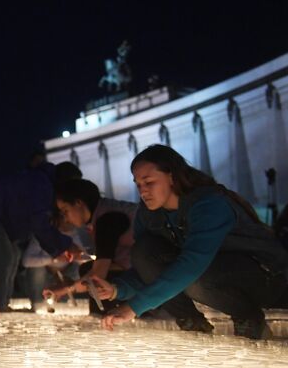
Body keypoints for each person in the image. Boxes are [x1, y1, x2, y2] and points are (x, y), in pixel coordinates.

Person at [92, 144, 288, 339]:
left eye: (149, 182)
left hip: (266, 275)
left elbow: (193, 262)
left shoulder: (208, 204)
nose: (143, 191)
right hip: (210, 272)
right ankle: (193, 325)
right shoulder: (149, 215)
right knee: (144, 250)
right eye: (138, 184)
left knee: (193, 275)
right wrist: (118, 289)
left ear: (171, 177)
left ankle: (248, 317)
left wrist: (134, 307)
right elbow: (148, 267)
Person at [0, 161, 82, 310]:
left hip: (0, 220)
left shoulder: (41, 182)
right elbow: (39, 223)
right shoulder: (41, 185)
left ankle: (2, 303)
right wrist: (65, 245)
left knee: (12, 256)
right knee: (5, 258)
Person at [44, 179, 136, 313]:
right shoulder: (103, 214)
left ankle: (107, 317)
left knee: (94, 277)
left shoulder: (107, 220)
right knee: (87, 269)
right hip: (139, 263)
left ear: (78, 203)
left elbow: (98, 274)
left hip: (153, 266)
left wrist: (66, 289)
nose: (66, 218)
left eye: (65, 211)